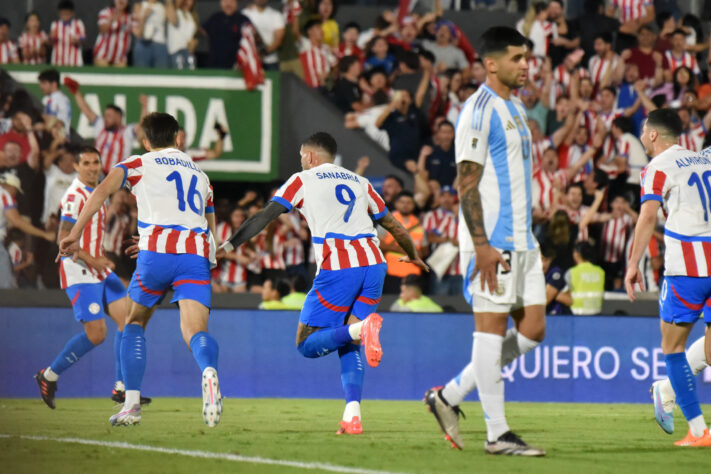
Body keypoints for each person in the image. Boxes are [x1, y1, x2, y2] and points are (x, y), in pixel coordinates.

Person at [217, 131, 427, 434]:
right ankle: (352, 415)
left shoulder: (302, 180)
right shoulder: (360, 182)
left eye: (302, 156)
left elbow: (265, 216)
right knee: (347, 338)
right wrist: (413, 255)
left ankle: (362, 329)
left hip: (339, 268)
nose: (301, 161)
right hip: (374, 266)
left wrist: (228, 246)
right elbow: (392, 224)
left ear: (311, 157)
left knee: (305, 343)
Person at [424, 26, 546, 456]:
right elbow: (466, 183)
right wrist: (480, 245)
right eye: (517, 58)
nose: (526, 65)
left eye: (527, 57)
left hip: (522, 240)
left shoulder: (512, 106)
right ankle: (497, 433)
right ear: (491, 63)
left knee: (532, 330)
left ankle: (449, 397)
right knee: (491, 332)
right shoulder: (478, 109)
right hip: (493, 240)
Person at [59, 112, 222, 427]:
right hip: (194, 256)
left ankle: (131, 405)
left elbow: (101, 191)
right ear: (177, 137)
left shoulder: (138, 163)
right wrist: (209, 255)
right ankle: (208, 371)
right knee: (196, 332)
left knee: (133, 324)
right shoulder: (200, 174)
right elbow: (208, 224)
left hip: (155, 255)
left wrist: (75, 233)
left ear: (146, 140)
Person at [34, 146, 150, 409]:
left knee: (130, 319)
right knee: (97, 334)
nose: (91, 167)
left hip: (98, 267)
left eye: (95, 162)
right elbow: (63, 239)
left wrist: (101, 257)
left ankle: (121, 388)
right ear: (76, 166)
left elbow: (91, 234)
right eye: (85, 163)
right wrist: (93, 259)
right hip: (79, 268)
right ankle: (47, 375)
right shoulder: (75, 195)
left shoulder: (98, 192)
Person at [625, 108, 711, 447]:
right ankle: (672, 394)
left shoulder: (656, 167)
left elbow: (647, 216)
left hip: (685, 270)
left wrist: (633, 264)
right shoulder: (703, 160)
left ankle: (698, 430)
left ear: (651, 135)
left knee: (672, 347)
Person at [66, 76, 148, 176]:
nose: (105, 119)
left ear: (118, 118)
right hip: (97, 174)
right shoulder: (101, 125)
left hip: (116, 176)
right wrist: (76, 92)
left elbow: (142, 124)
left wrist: (144, 106)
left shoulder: (126, 131)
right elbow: (86, 111)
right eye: (105, 116)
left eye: (109, 116)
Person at [0, 173, 55, 288]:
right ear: (10, 186)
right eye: (15, 191)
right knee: (5, 285)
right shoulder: (4, 195)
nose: (15, 196)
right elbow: (17, 221)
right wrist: (44, 234)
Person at [555, 240, 605, 314]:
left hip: (577, 314)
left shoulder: (572, 272)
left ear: (576, 254)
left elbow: (563, 297)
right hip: (597, 313)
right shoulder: (600, 272)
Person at [203, 0, 252, 69]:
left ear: (236, 3)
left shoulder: (243, 19)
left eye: (231, 2)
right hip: (214, 65)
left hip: (237, 67)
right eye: (225, 1)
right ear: (221, 3)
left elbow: (253, 38)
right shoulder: (214, 18)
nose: (228, 4)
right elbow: (202, 31)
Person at [242, 0, 285, 71]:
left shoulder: (276, 15)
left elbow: (278, 41)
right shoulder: (245, 14)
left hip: (271, 62)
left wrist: (263, 53)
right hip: (249, 62)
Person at [93, 0, 133, 67]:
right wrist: (113, 18)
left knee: (120, 76)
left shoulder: (130, 16)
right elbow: (102, 30)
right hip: (103, 54)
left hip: (120, 57)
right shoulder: (106, 12)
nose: (121, 1)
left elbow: (138, 33)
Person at [132, 0, 169, 68]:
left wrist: (169, 2)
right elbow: (137, 33)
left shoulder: (163, 7)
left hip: (160, 45)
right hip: (143, 44)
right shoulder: (139, 6)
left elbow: (174, 21)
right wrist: (144, 17)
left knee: (161, 77)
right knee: (141, 76)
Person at [49, 0, 86, 66]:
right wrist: (50, 37)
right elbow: (51, 42)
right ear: (59, 13)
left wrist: (77, 41)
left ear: (72, 13)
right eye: (62, 14)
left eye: (67, 14)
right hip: (58, 61)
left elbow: (83, 41)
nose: (65, 16)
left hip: (75, 62)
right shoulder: (55, 25)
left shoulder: (78, 23)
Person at [39, 69, 72, 136]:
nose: (41, 87)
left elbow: (55, 122)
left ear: (54, 84)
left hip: (59, 137)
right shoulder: (48, 98)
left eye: (44, 83)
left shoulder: (59, 99)